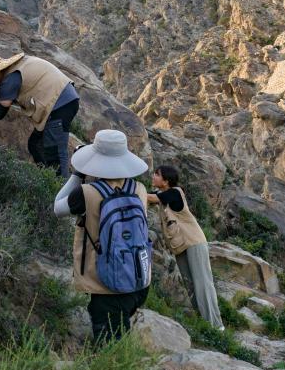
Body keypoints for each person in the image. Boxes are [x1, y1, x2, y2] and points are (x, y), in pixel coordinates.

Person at [53, 130, 151, 343]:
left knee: (109, 345)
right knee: (119, 334)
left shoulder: (87, 193)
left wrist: (77, 174)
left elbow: (57, 207)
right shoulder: (140, 189)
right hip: (138, 278)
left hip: (105, 284)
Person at [0, 51, 79, 177]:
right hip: (65, 98)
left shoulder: (10, 79)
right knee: (35, 144)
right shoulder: (19, 66)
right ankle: (46, 179)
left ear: (0, 70)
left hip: (60, 104)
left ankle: (61, 185)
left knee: (55, 153)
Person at [147, 165, 224, 330]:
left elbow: (151, 198)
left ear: (166, 181)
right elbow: (149, 196)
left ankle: (216, 326)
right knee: (190, 284)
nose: (153, 176)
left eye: (157, 175)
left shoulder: (175, 192)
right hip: (180, 246)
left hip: (194, 242)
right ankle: (204, 322)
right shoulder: (162, 193)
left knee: (202, 282)